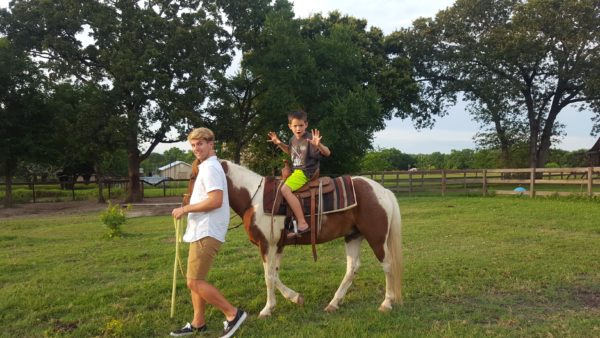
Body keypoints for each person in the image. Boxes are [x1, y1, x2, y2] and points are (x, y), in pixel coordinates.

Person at [170, 127, 247, 338]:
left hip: (207, 231)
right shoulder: (206, 166)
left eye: (200, 144)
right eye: (193, 145)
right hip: (200, 230)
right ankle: (198, 323)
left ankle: (233, 314)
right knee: (197, 278)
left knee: (194, 281)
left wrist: (184, 209)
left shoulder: (210, 167)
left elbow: (216, 200)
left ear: (211, 144)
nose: (196, 149)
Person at [267, 109, 331, 238]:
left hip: (306, 171)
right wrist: (279, 143)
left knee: (285, 190)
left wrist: (319, 146)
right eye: (295, 126)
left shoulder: (309, 139)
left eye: (301, 125)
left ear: (306, 125)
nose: (298, 128)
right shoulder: (292, 140)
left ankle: (302, 223)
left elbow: (327, 153)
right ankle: (289, 221)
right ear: (290, 126)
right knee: (279, 185)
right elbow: (291, 152)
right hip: (296, 171)